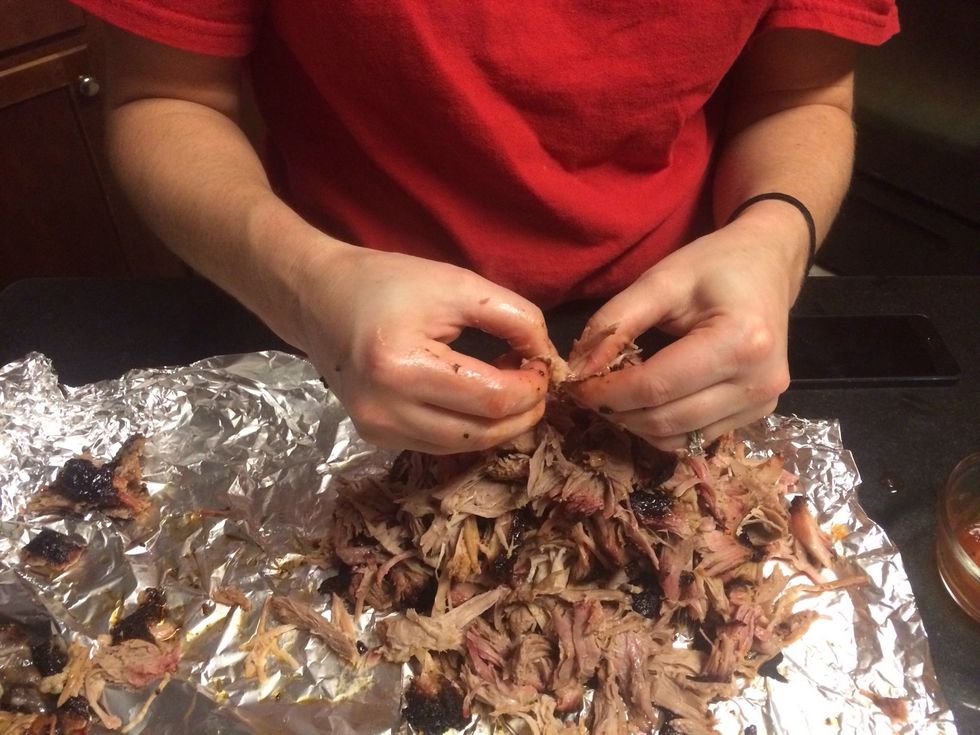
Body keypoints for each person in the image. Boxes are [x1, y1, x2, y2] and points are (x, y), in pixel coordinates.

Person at [72, 1, 897, 454]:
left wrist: (774, 241)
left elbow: (800, 99)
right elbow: (164, 100)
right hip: (331, 316)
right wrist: (304, 283)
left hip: (671, 337)